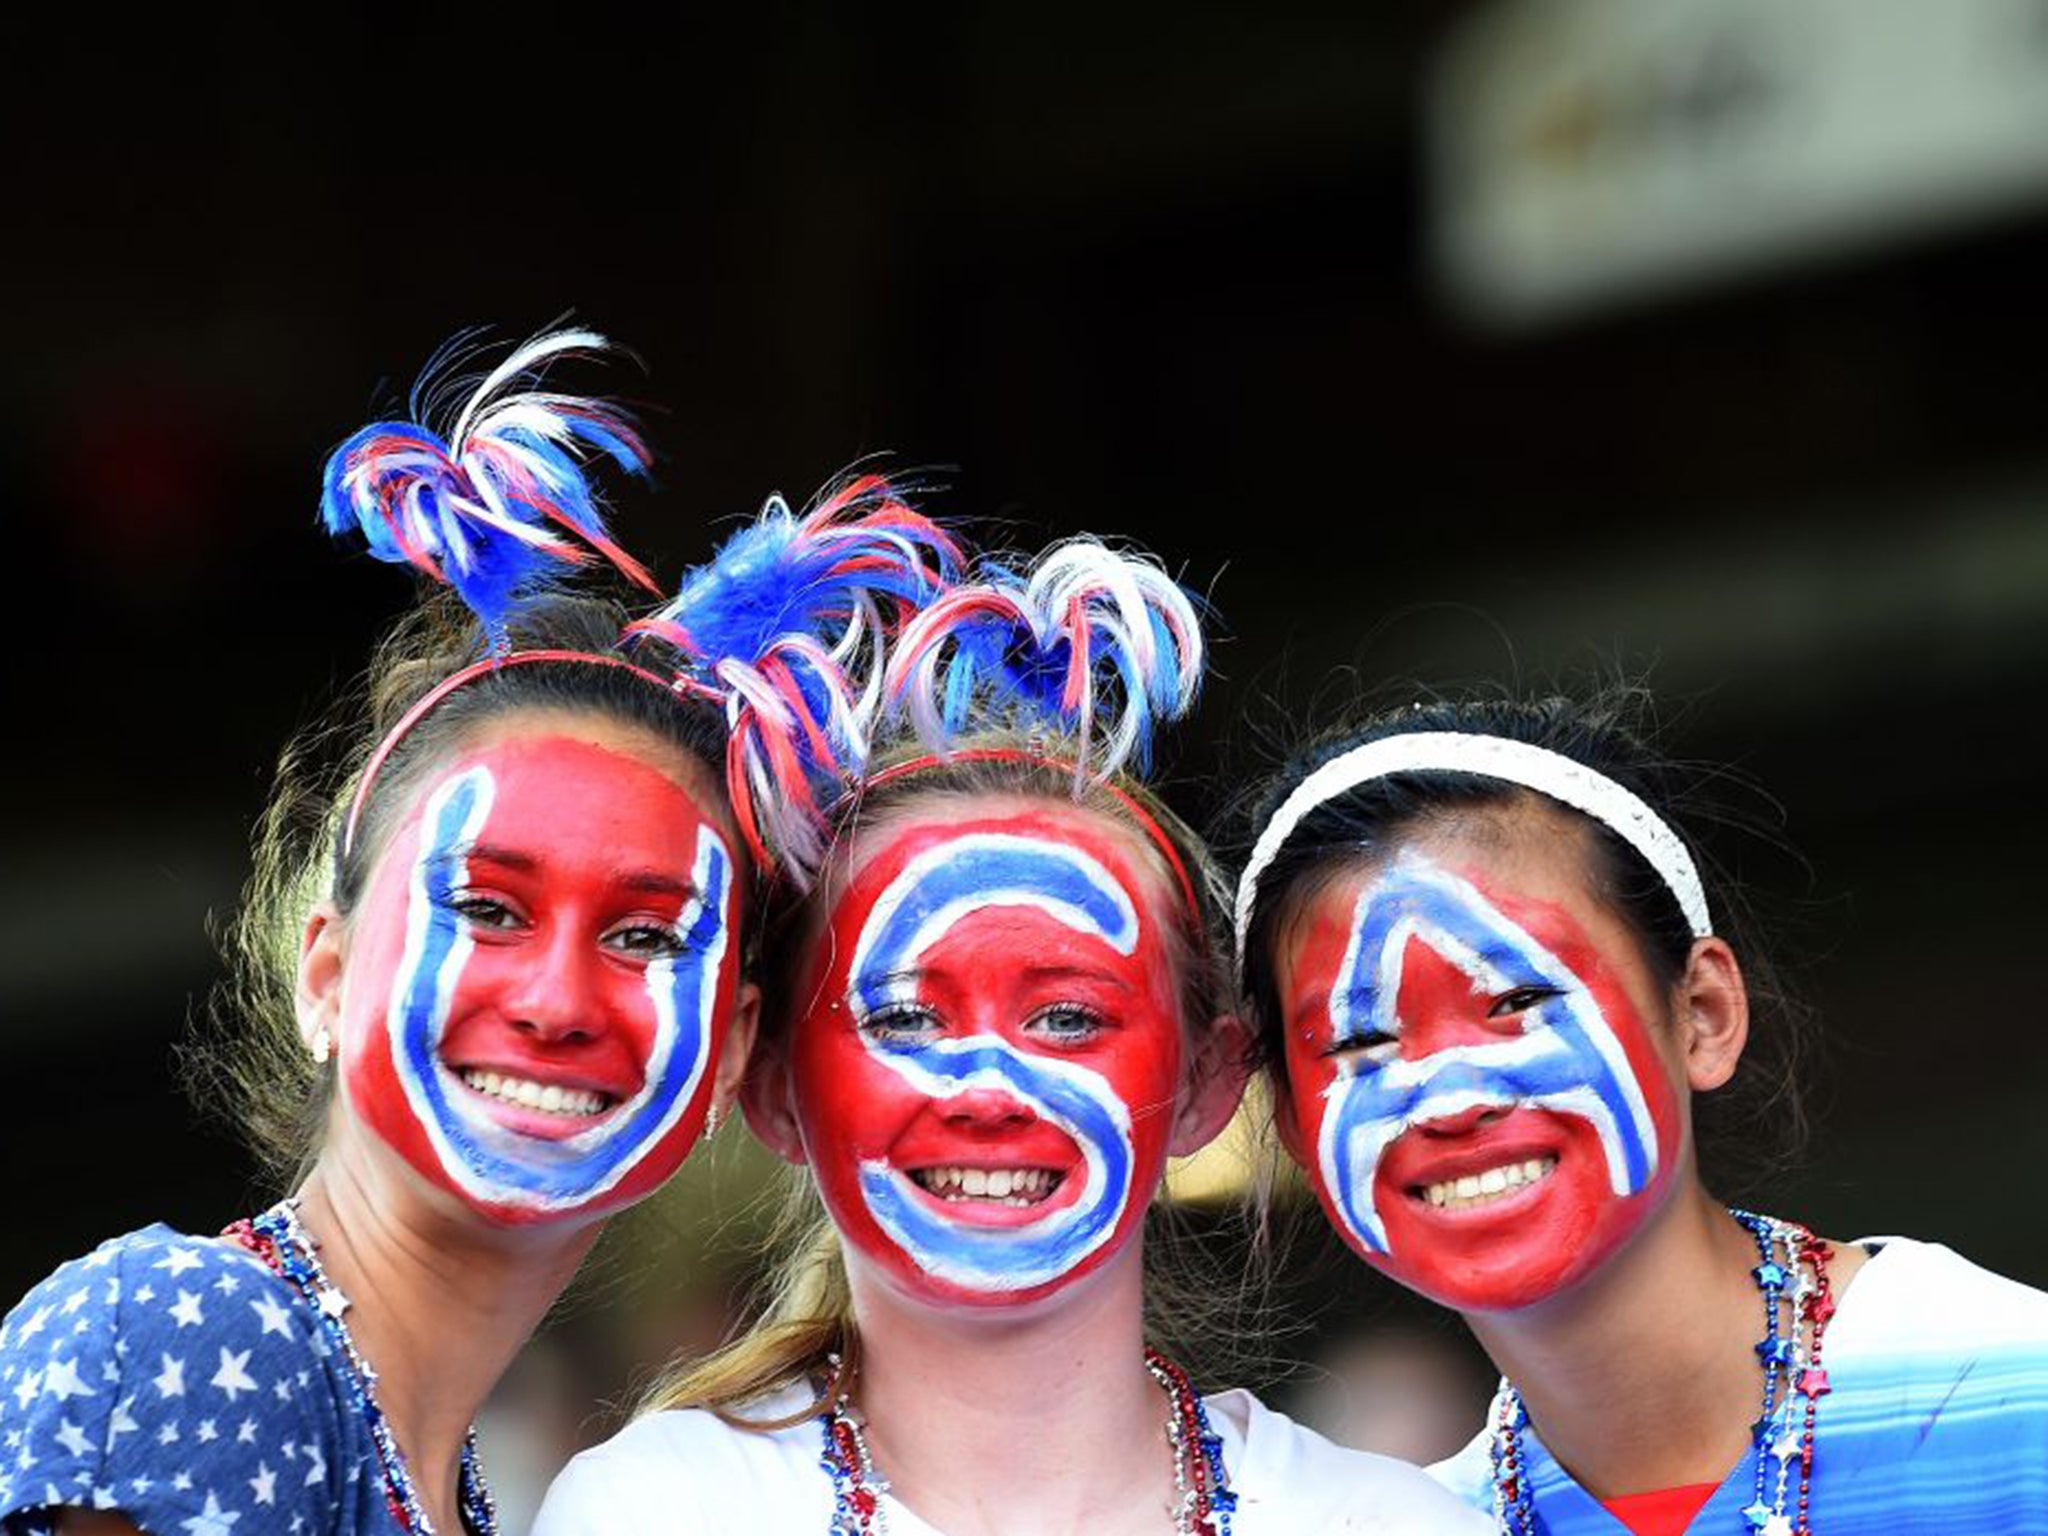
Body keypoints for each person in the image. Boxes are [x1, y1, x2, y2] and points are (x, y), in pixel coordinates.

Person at [0, 331, 956, 1536]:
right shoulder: (196, 1331)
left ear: (730, 1048)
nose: (557, 999)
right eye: (490, 909)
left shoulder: (454, 1482)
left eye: (647, 938)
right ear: (327, 976)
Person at [535, 543, 1486, 1535]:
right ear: (772, 1085)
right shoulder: (659, 1510)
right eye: (905, 1016)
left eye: (1066, 1017)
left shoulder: (1381, 1521)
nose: (987, 1086)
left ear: (1207, 1079)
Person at [1231, 691, 2048, 1534]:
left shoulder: (2007, 1394)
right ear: (1293, 1123)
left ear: (1703, 1013)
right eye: (1361, 1039)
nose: (1453, 1097)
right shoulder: (1417, 1521)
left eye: (1517, 999)